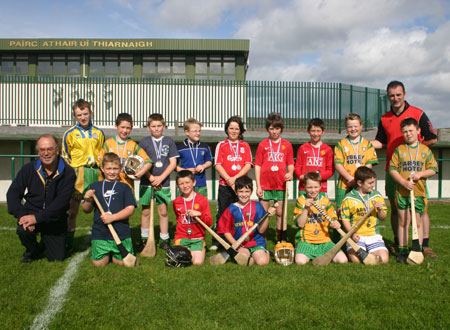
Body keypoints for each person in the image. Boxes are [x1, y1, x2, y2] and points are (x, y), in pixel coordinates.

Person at [372, 81, 438, 258]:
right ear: (388, 97)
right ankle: (398, 243)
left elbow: (432, 138)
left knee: (420, 209)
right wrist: (364, 145)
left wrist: (414, 150)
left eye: (398, 94)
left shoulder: (418, 114)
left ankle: (425, 245)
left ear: (404, 94)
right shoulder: (385, 118)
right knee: (396, 208)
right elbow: (381, 142)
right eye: (392, 95)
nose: (395, 98)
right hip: (393, 170)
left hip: (415, 171)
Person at [7, 135, 76, 262]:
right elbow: (12, 195)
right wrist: (22, 216)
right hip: (30, 213)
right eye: (42, 150)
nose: (46, 153)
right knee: (24, 231)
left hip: (55, 219)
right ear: (38, 152)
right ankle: (32, 250)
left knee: (57, 257)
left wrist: (37, 218)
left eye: (50, 149)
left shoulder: (68, 172)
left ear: (57, 150)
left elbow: (61, 203)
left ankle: (47, 242)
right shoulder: (28, 169)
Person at [389, 118, 438, 263]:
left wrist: (420, 174)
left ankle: (418, 248)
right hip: (402, 193)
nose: (408, 134)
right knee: (403, 220)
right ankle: (403, 250)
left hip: (418, 193)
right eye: (405, 132)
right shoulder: (399, 150)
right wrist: (403, 182)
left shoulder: (425, 150)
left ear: (418, 131)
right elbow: (392, 169)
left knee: (417, 221)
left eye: (411, 131)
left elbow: (434, 169)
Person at [62, 99, 105, 252]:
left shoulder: (99, 133)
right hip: (78, 174)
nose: (83, 117)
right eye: (79, 115)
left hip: (95, 173)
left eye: (85, 113)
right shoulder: (69, 134)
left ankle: (102, 241)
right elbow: (65, 156)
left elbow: (103, 153)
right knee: (72, 211)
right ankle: (68, 242)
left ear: (91, 113)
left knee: (100, 209)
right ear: (75, 116)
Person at [82, 153, 136, 267]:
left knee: (122, 263)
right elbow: (86, 210)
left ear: (120, 168)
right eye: (109, 168)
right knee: (99, 264)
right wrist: (87, 200)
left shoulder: (125, 187)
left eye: (115, 168)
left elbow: (130, 209)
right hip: (100, 232)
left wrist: (112, 217)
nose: (112, 172)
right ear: (102, 168)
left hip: (121, 232)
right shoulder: (95, 186)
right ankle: (101, 253)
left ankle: (117, 255)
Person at [212, 116, 252, 250]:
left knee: (239, 213)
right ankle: (218, 241)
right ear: (227, 129)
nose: (234, 131)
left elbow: (248, 165)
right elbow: (218, 165)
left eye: (237, 128)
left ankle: (237, 239)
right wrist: (228, 179)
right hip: (225, 186)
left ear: (240, 130)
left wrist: (235, 179)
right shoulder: (221, 145)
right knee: (222, 213)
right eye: (231, 128)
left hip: (240, 187)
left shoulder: (245, 146)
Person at [139, 113, 178, 251]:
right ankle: (144, 239)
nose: (156, 129)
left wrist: (160, 178)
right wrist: (150, 177)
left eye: (159, 126)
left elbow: (173, 163)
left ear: (164, 126)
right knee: (146, 211)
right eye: (153, 126)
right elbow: (141, 163)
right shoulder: (143, 142)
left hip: (164, 182)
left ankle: (164, 239)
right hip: (146, 181)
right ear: (149, 127)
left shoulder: (169, 141)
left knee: (163, 211)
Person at [217, 176, 276, 265]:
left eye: (247, 191)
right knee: (244, 262)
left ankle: (265, 253)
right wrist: (235, 243)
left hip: (256, 242)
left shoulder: (257, 206)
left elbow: (261, 230)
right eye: (240, 191)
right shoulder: (231, 208)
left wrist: (268, 216)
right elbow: (226, 230)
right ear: (236, 192)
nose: (244, 195)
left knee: (262, 262)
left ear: (251, 192)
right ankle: (250, 255)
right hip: (240, 245)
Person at [254, 113, 294, 243]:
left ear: (281, 129)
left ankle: (280, 240)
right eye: (271, 128)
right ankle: (261, 239)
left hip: (280, 185)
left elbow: (291, 164)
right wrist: (258, 185)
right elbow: (258, 165)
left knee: (280, 213)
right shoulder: (262, 145)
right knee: (264, 214)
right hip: (265, 184)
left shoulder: (287, 145)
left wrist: (290, 173)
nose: (274, 131)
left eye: (277, 128)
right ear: (267, 129)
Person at [292, 172, 347, 265]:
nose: (313, 190)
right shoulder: (301, 200)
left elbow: (333, 219)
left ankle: (319, 254)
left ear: (320, 186)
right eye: (309, 187)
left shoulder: (325, 201)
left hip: (324, 240)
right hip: (306, 241)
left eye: (316, 187)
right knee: (300, 262)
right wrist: (306, 208)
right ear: (304, 186)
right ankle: (301, 251)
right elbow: (300, 224)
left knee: (343, 260)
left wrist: (335, 223)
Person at [341, 166, 389, 264]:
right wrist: (352, 234)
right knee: (356, 260)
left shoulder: (377, 195)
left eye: (373, 182)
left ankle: (370, 253)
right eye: (370, 183)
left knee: (384, 259)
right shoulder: (348, 198)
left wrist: (380, 210)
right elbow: (345, 219)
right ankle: (365, 254)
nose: (373, 185)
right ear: (360, 183)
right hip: (357, 236)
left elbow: (383, 217)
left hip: (373, 235)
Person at [334, 113, 378, 209]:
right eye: (350, 127)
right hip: (345, 184)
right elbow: (338, 165)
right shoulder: (341, 144)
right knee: (341, 211)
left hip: (362, 184)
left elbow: (369, 165)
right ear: (346, 127)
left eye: (355, 126)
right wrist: (350, 179)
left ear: (361, 126)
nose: (353, 129)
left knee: (362, 209)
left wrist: (359, 179)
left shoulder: (368, 144)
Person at [99, 113, 152, 190]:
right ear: (116, 126)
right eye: (122, 127)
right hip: (110, 183)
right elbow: (100, 162)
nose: (125, 130)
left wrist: (140, 173)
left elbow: (148, 162)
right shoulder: (108, 143)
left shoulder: (133, 145)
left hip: (127, 184)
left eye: (128, 128)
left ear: (131, 128)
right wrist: (109, 173)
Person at [172, 170, 213, 265]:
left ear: (194, 182)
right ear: (178, 186)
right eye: (181, 184)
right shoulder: (176, 202)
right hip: (182, 237)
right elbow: (178, 219)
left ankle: (195, 250)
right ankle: (186, 249)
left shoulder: (202, 200)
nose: (185, 186)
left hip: (197, 238)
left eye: (187, 182)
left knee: (197, 262)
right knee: (183, 260)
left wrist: (199, 214)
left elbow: (209, 222)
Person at [295, 118, 334, 197]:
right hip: (304, 187)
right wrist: (301, 176)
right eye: (313, 131)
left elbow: (330, 170)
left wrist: (318, 177)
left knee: (319, 209)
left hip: (321, 188)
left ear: (323, 132)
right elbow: (297, 167)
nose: (315, 134)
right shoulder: (303, 148)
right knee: (304, 208)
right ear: (309, 131)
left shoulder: (327, 149)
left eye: (318, 131)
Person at [176, 118, 213, 197]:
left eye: (199, 131)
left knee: (201, 207)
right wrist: (184, 170)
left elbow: (209, 161)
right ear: (187, 132)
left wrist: (203, 166)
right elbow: (173, 166)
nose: (198, 133)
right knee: (184, 206)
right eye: (195, 131)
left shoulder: (205, 146)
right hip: (185, 183)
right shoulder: (180, 147)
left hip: (200, 183)